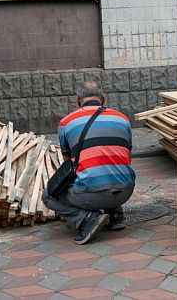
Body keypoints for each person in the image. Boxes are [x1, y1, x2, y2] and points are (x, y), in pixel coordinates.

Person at [42, 81, 136, 245]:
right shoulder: (122, 118)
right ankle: (115, 213)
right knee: (110, 168)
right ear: (103, 99)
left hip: (91, 195)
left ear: (78, 101)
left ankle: (86, 218)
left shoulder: (66, 123)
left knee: (48, 195)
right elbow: (127, 156)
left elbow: (69, 165)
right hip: (125, 191)